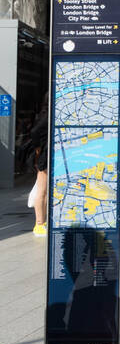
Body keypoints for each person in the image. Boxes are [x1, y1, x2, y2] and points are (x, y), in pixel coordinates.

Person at [26, 94, 49, 238]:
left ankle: (42, 222)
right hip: (45, 157)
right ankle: (39, 224)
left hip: (47, 155)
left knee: (45, 190)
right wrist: (38, 149)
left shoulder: (46, 114)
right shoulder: (48, 116)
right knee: (42, 190)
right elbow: (34, 132)